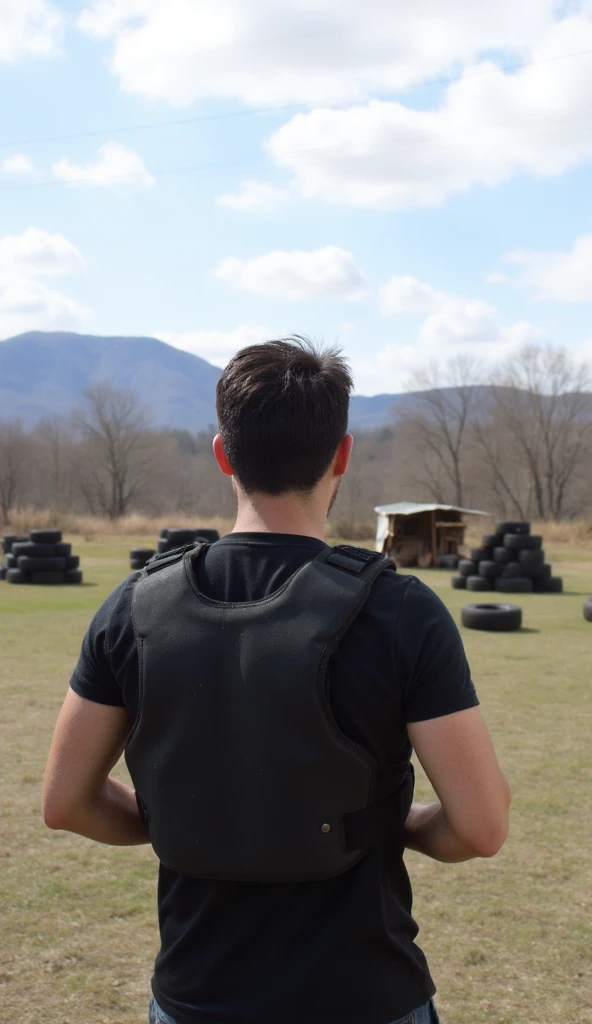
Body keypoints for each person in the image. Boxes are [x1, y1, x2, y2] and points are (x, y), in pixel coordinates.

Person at [43, 338, 511, 1024]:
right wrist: (393, 824)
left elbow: (65, 803)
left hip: (197, 997)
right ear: (342, 456)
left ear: (223, 454)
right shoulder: (401, 612)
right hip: (365, 996)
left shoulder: (134, 608)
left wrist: (186, 820)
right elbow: (481, 827)